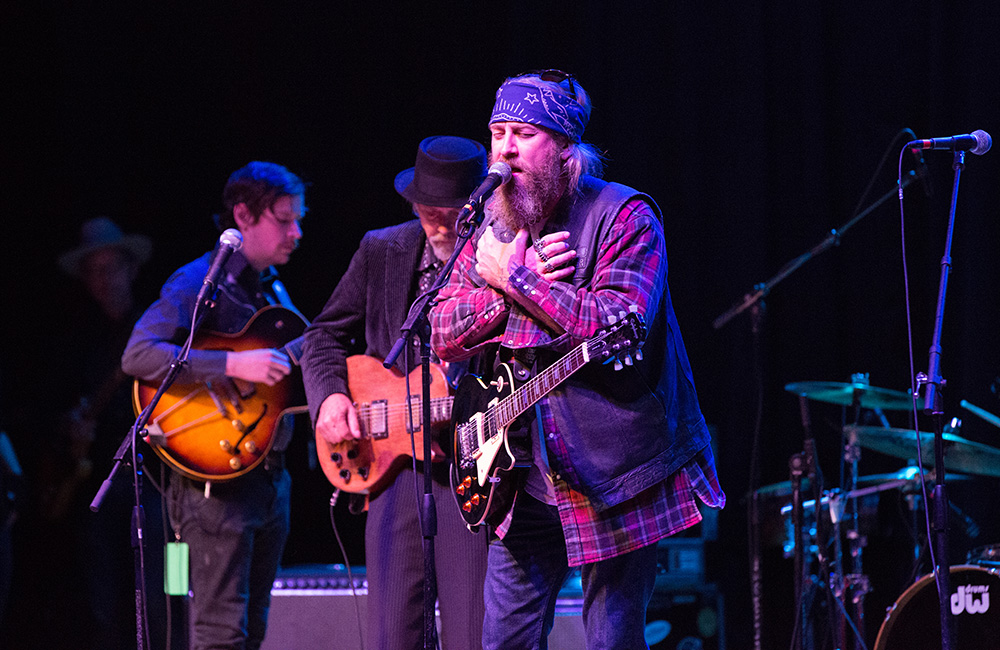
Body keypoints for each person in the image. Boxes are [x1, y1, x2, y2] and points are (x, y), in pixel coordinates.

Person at [428, 70, 727, 649]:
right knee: (503, 642)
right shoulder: (490, 221)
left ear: (565, 147)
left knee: (613, 641)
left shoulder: (625, 216)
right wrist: (506, 289)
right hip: (517, 472)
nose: (504, 149)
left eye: (523, 133)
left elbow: (616, 324)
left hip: (615, 473)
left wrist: (516, 280)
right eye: (497, 132)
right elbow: (441, 329)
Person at [300, 136, 489, 650]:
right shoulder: (383, 248)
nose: (440, 226)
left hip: (472, 465)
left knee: (471, 636)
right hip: (393, 468)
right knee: (392, 637)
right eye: (429, 213)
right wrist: (330, 397)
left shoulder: (503, 255)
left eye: (453, 214)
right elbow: (324, 334)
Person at [122, 161, 307, 650]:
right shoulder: (198, 282)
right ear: (243, 216)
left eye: (298, 220)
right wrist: (232, 364)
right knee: (220, 634)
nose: (296, 232)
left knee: (253, 630)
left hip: (267, 478)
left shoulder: (271, 288)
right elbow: (138, 354)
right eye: (284, 220)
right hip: (214, 490)